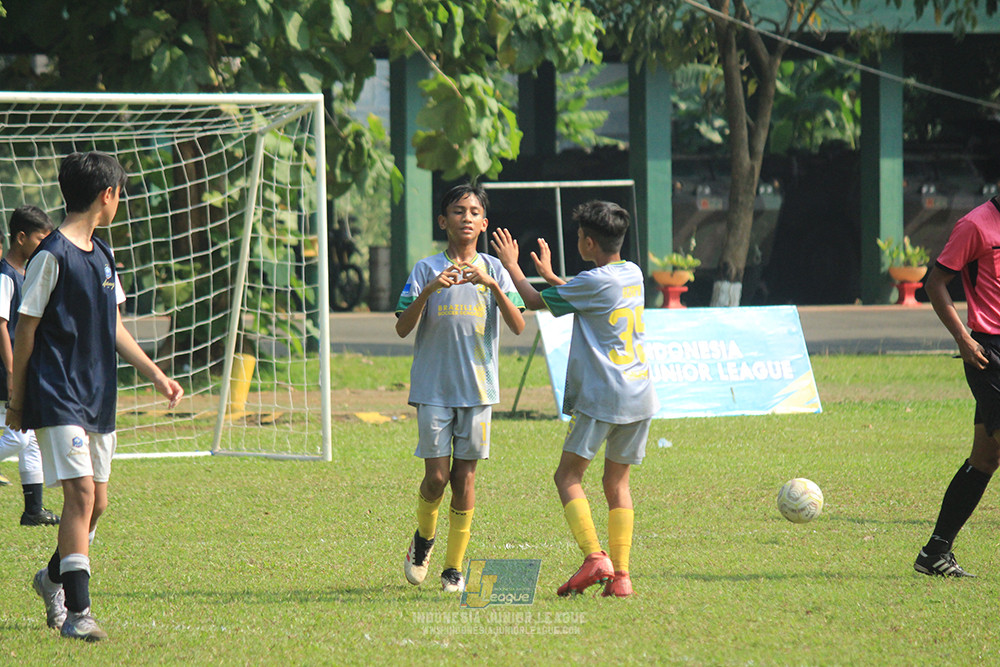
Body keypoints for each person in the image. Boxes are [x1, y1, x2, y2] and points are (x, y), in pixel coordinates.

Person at [6, 151, 184, 641]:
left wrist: (155, 375)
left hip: (97, 395)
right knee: (80, 495)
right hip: (57, 392)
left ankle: (51, 578)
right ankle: (79, 614)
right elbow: (26, 329)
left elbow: (115, 328)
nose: (120, 201)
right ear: (108, 195)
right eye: (120, 193)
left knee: (96, 504)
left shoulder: (103, 255)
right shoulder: (51, 256)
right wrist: (19, 398)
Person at [492, 200, 658, 597]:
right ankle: (621, 577)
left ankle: (594, 557)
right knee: (617, 482)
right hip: (640, 392)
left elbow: (533, 303)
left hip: (605, 395)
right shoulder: (631, 273)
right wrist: (551, 275)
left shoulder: (593, 281)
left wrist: (513, 265)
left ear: (586, 243)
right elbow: (591, 295)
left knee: (567, 476)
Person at [396, 183, 525, 593]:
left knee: (464, 479)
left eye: (473, 212)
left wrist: (492, 283)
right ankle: (423, 541)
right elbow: (401, 327)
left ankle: (453, 568)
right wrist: (432, 288)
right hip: (433, 387)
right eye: (457, 211)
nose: (465, 217)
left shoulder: (494, 269)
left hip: (478, 389)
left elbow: (519, 325)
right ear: (442, 221)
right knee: (436, 477)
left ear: (484, 223)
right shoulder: (425, 268)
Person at [914, 194, 1000, 578]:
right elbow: (935, 283)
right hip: (989, 353)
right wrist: (963, 340)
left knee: (984, 459)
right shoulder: (975, 225)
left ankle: (935, 552)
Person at [0, 205, 59, 527]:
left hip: (20, 367)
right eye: (40, 238)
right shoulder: (4, 275)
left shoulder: (27, 273)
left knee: (30, 438)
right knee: (18, 436)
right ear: (21, 237)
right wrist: (11, 371)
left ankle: (33, 509)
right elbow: (1, 325)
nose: (45, 245)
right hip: (6, 368)